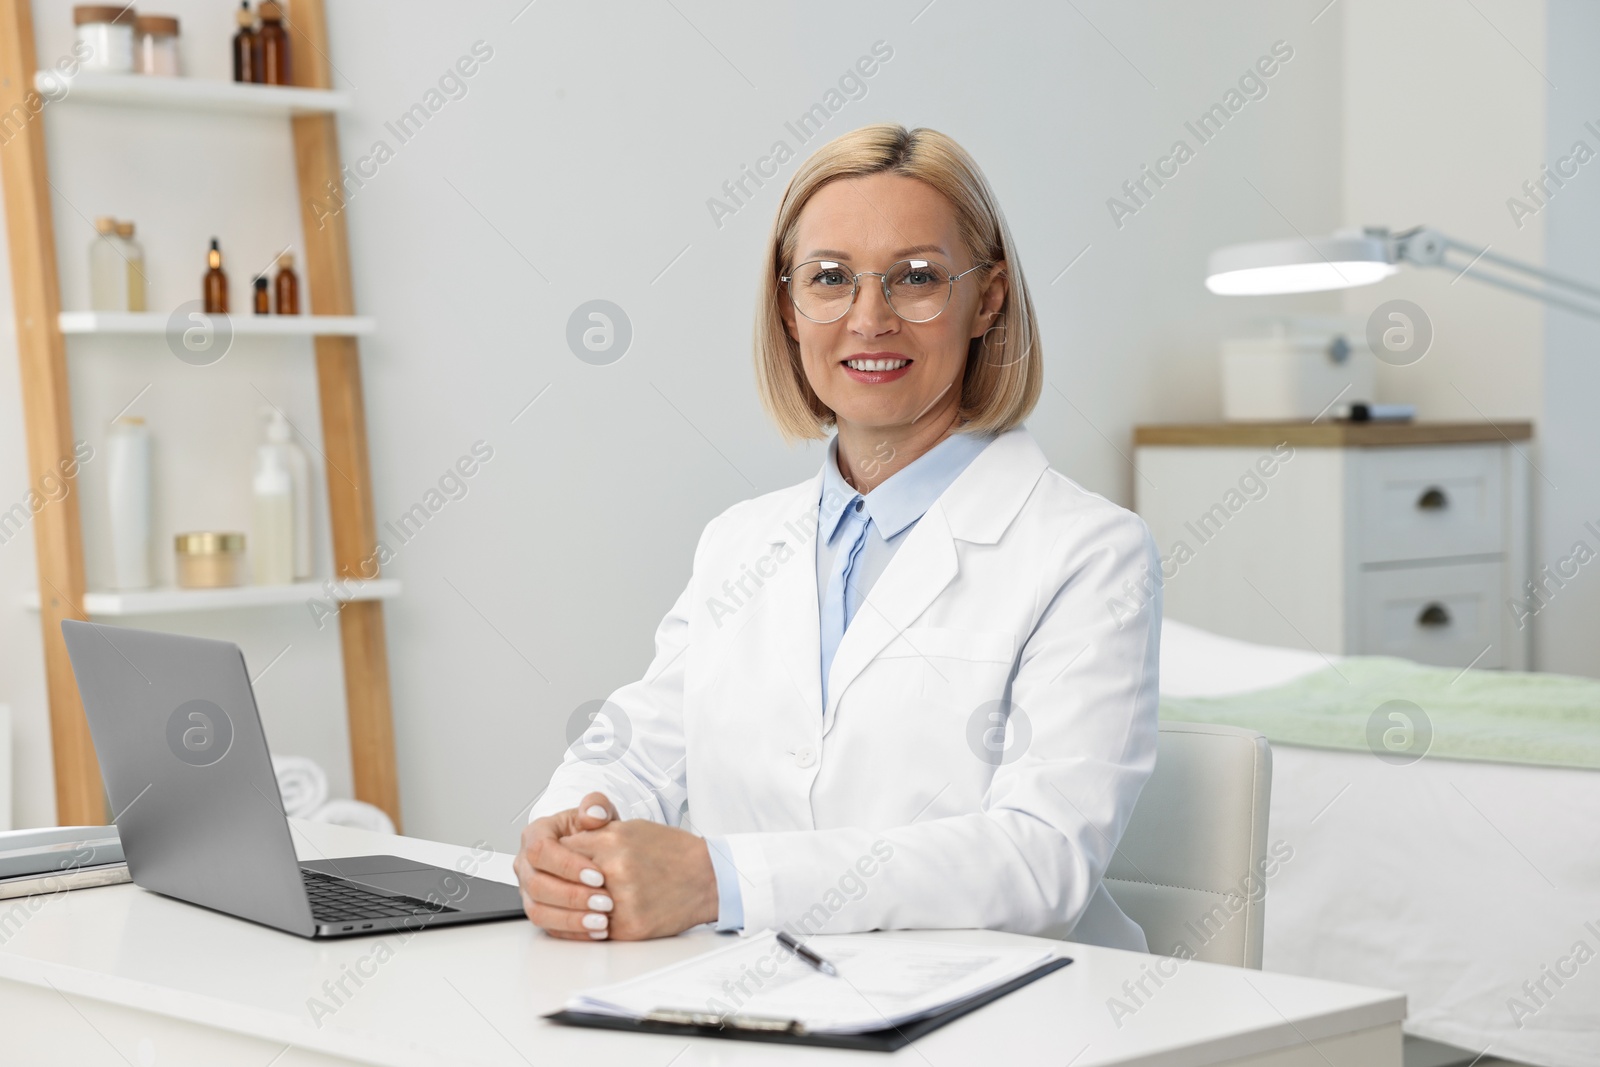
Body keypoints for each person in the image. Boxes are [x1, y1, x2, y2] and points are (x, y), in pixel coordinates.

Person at [515, 124, 1160, 950]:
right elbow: (637, 749)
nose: (869, 318)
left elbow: (1041, 857)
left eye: (918, 278)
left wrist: (723, 880)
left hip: (1000, 1016)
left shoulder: (1090, 553)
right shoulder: (738, 543)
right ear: (789, 307)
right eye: (829, 280)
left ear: (988, 299)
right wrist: (567, 835)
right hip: (755, 1001)